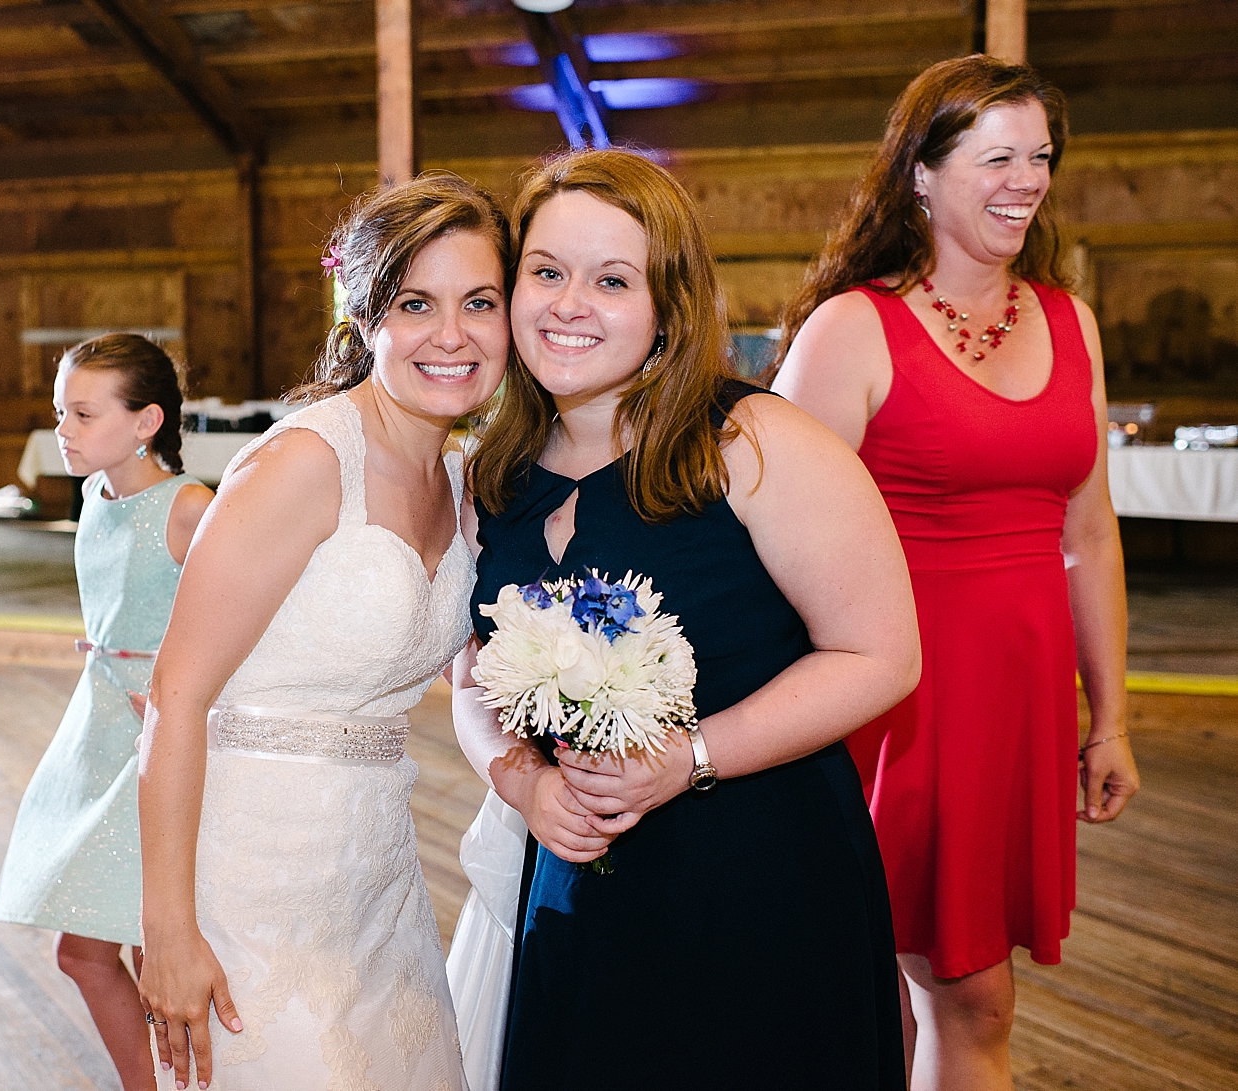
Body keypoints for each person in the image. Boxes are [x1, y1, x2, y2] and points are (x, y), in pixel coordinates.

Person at [450, 148, 921, 1091]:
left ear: (668, 302)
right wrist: (519, 782)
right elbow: (472, 669)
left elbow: (881, 653)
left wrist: (690, 757)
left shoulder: (752, 443)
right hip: (581, 874)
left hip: (758, 876)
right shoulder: (491, 470)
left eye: (612, 280)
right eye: (546, 272)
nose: (569, 303)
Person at [771, 56, 1140, 1091]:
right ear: (919, 176)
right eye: (996, 157)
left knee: (964, 990)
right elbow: (769, 532)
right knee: (886, 989)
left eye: (1039, 157)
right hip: (888, 703)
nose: (1024, 179)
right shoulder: (853, 327)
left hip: (1011, 706)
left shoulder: (1069, 319)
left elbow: (1089, 530)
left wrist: (1104, 716)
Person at [135, 174, 510, 1091]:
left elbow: (471, 678)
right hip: (250, 880)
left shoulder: (465, 480)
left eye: (480, 302)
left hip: (379, 877)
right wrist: (170, 931)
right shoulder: (306, 462)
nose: (451, 333)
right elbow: (175, 695)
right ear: (366, 317)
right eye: (416, 303)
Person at [0, 333, 213, 1090]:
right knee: (85, 950)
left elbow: (252, 625)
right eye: (62, 412)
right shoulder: (94, 496)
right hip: (99, 728)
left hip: (160, 737)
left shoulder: (188, 509)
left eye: (84, 413)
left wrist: (175, 692)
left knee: (155, 948)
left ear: (146, 420)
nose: (63, 430)